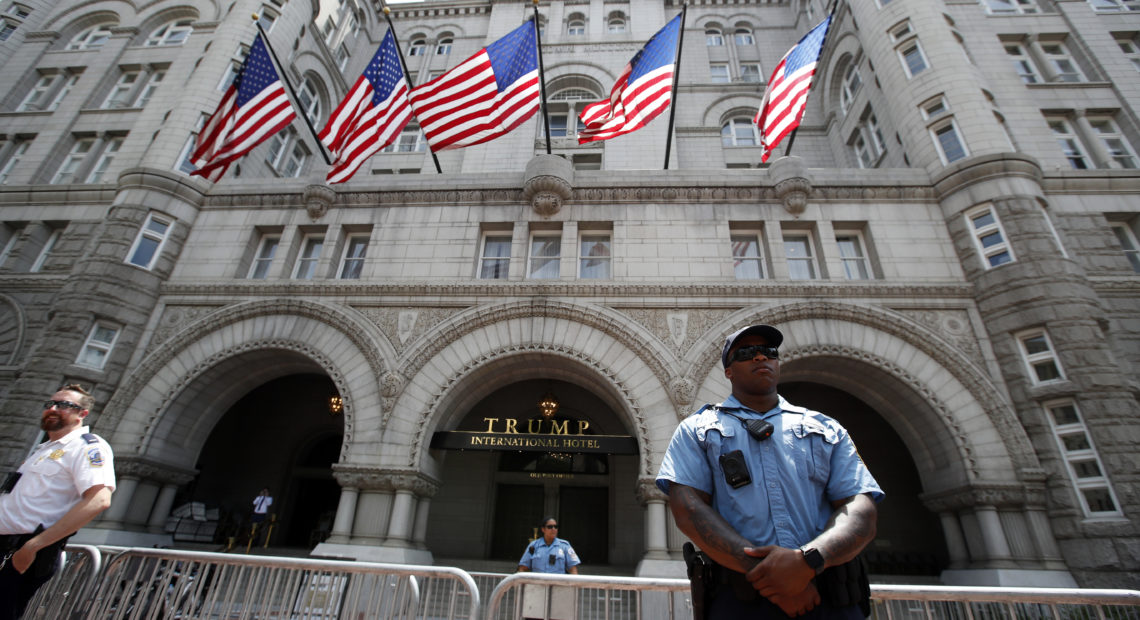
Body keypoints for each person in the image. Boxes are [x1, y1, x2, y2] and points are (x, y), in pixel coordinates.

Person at [656, 325, 883, 620]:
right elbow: (688, 509)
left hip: (828, 595)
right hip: (742, 600)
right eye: (747, 353)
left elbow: (860, 509)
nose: (760, 358)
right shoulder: (697, 429)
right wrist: (775, 578)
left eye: (769, 352)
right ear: (728, 371)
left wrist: (806, 563)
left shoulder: (826, 427)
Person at [0, 384, 116, 620]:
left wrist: (32, 547)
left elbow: (99, 499)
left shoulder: (88, 447)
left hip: (21, 551)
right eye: (50, 404)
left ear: (82, 414)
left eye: (64, 405)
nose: (53, 408)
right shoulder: (44, 449)